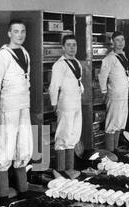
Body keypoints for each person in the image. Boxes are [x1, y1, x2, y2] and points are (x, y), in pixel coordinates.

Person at [0, 19, 33, 204]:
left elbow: (26, 80)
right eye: (16, 31)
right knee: (6, 148)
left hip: (23, 105)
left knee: (24, 145)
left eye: (22, 31)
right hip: (8, 106)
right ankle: (3, 194)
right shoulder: (2, 55)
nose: (20, 35)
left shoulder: (24, 52)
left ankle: (23, 190)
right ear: (9, 34)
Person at [48, 35, 83, 173]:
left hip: (76, 102)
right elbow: (53, 86)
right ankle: (61, 171)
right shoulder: (59, 65)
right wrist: (54, 103)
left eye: (74, 45)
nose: (71, 48)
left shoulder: (77, 63)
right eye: (68, 45)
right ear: (63, 47)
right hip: (65, 102)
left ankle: (70, 170)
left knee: (73, 136)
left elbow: (78, 81)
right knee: (63, 136)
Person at [98, 31, 129, 152]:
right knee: (112, 124)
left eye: (122, 40)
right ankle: (110, 152)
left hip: (123, 94)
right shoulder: (109, 58)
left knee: (120, 123)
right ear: (112, 42)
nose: (120, 43)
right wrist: (104, 91)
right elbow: (102, 76)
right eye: (117, 40)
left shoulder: (123, 55)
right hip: (114, 95)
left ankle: (115, 149)